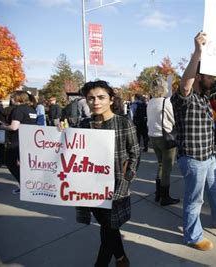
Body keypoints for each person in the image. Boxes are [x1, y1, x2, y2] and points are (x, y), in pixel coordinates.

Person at [171, 31, 216, 251]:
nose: (214, 80)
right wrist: (198, 52)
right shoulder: (185, 97)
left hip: (209, 156)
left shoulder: (206, 95)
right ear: (199, 77)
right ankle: (193, 236)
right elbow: (185, 84)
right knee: (195, 200)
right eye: (209, 75)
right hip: (193, 159)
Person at [74, 80, 140, 267]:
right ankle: (121, 258)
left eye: (101, 97)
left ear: (111, 99)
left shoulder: (123, 123)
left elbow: (135, 153)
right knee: (108, 227)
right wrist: (62, 136)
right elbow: (73, 152)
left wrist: (127, 179)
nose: (96, 102)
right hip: (90, 188)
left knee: (108, 228)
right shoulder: (84, 125)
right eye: (91, 98)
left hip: (116, 187)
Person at [147, 78, 180, 206]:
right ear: (164, 88)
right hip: (165, 137)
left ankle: (158, 193)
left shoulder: (150, 102)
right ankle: (165, 197)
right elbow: (173, 119)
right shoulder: (166, 102)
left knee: (160, 164)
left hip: (153, 136)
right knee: (167, 168)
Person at [0, 91, 37, 194]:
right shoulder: (32, 110)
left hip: (16, 140)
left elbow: (14, 127)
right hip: (29, 140)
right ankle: (29, 185)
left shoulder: (18, 110)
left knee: (10, 162)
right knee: (25, 164)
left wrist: (1, 127)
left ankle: (23, 184)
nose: (11, 100)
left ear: (18, 99)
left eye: (13, 98)